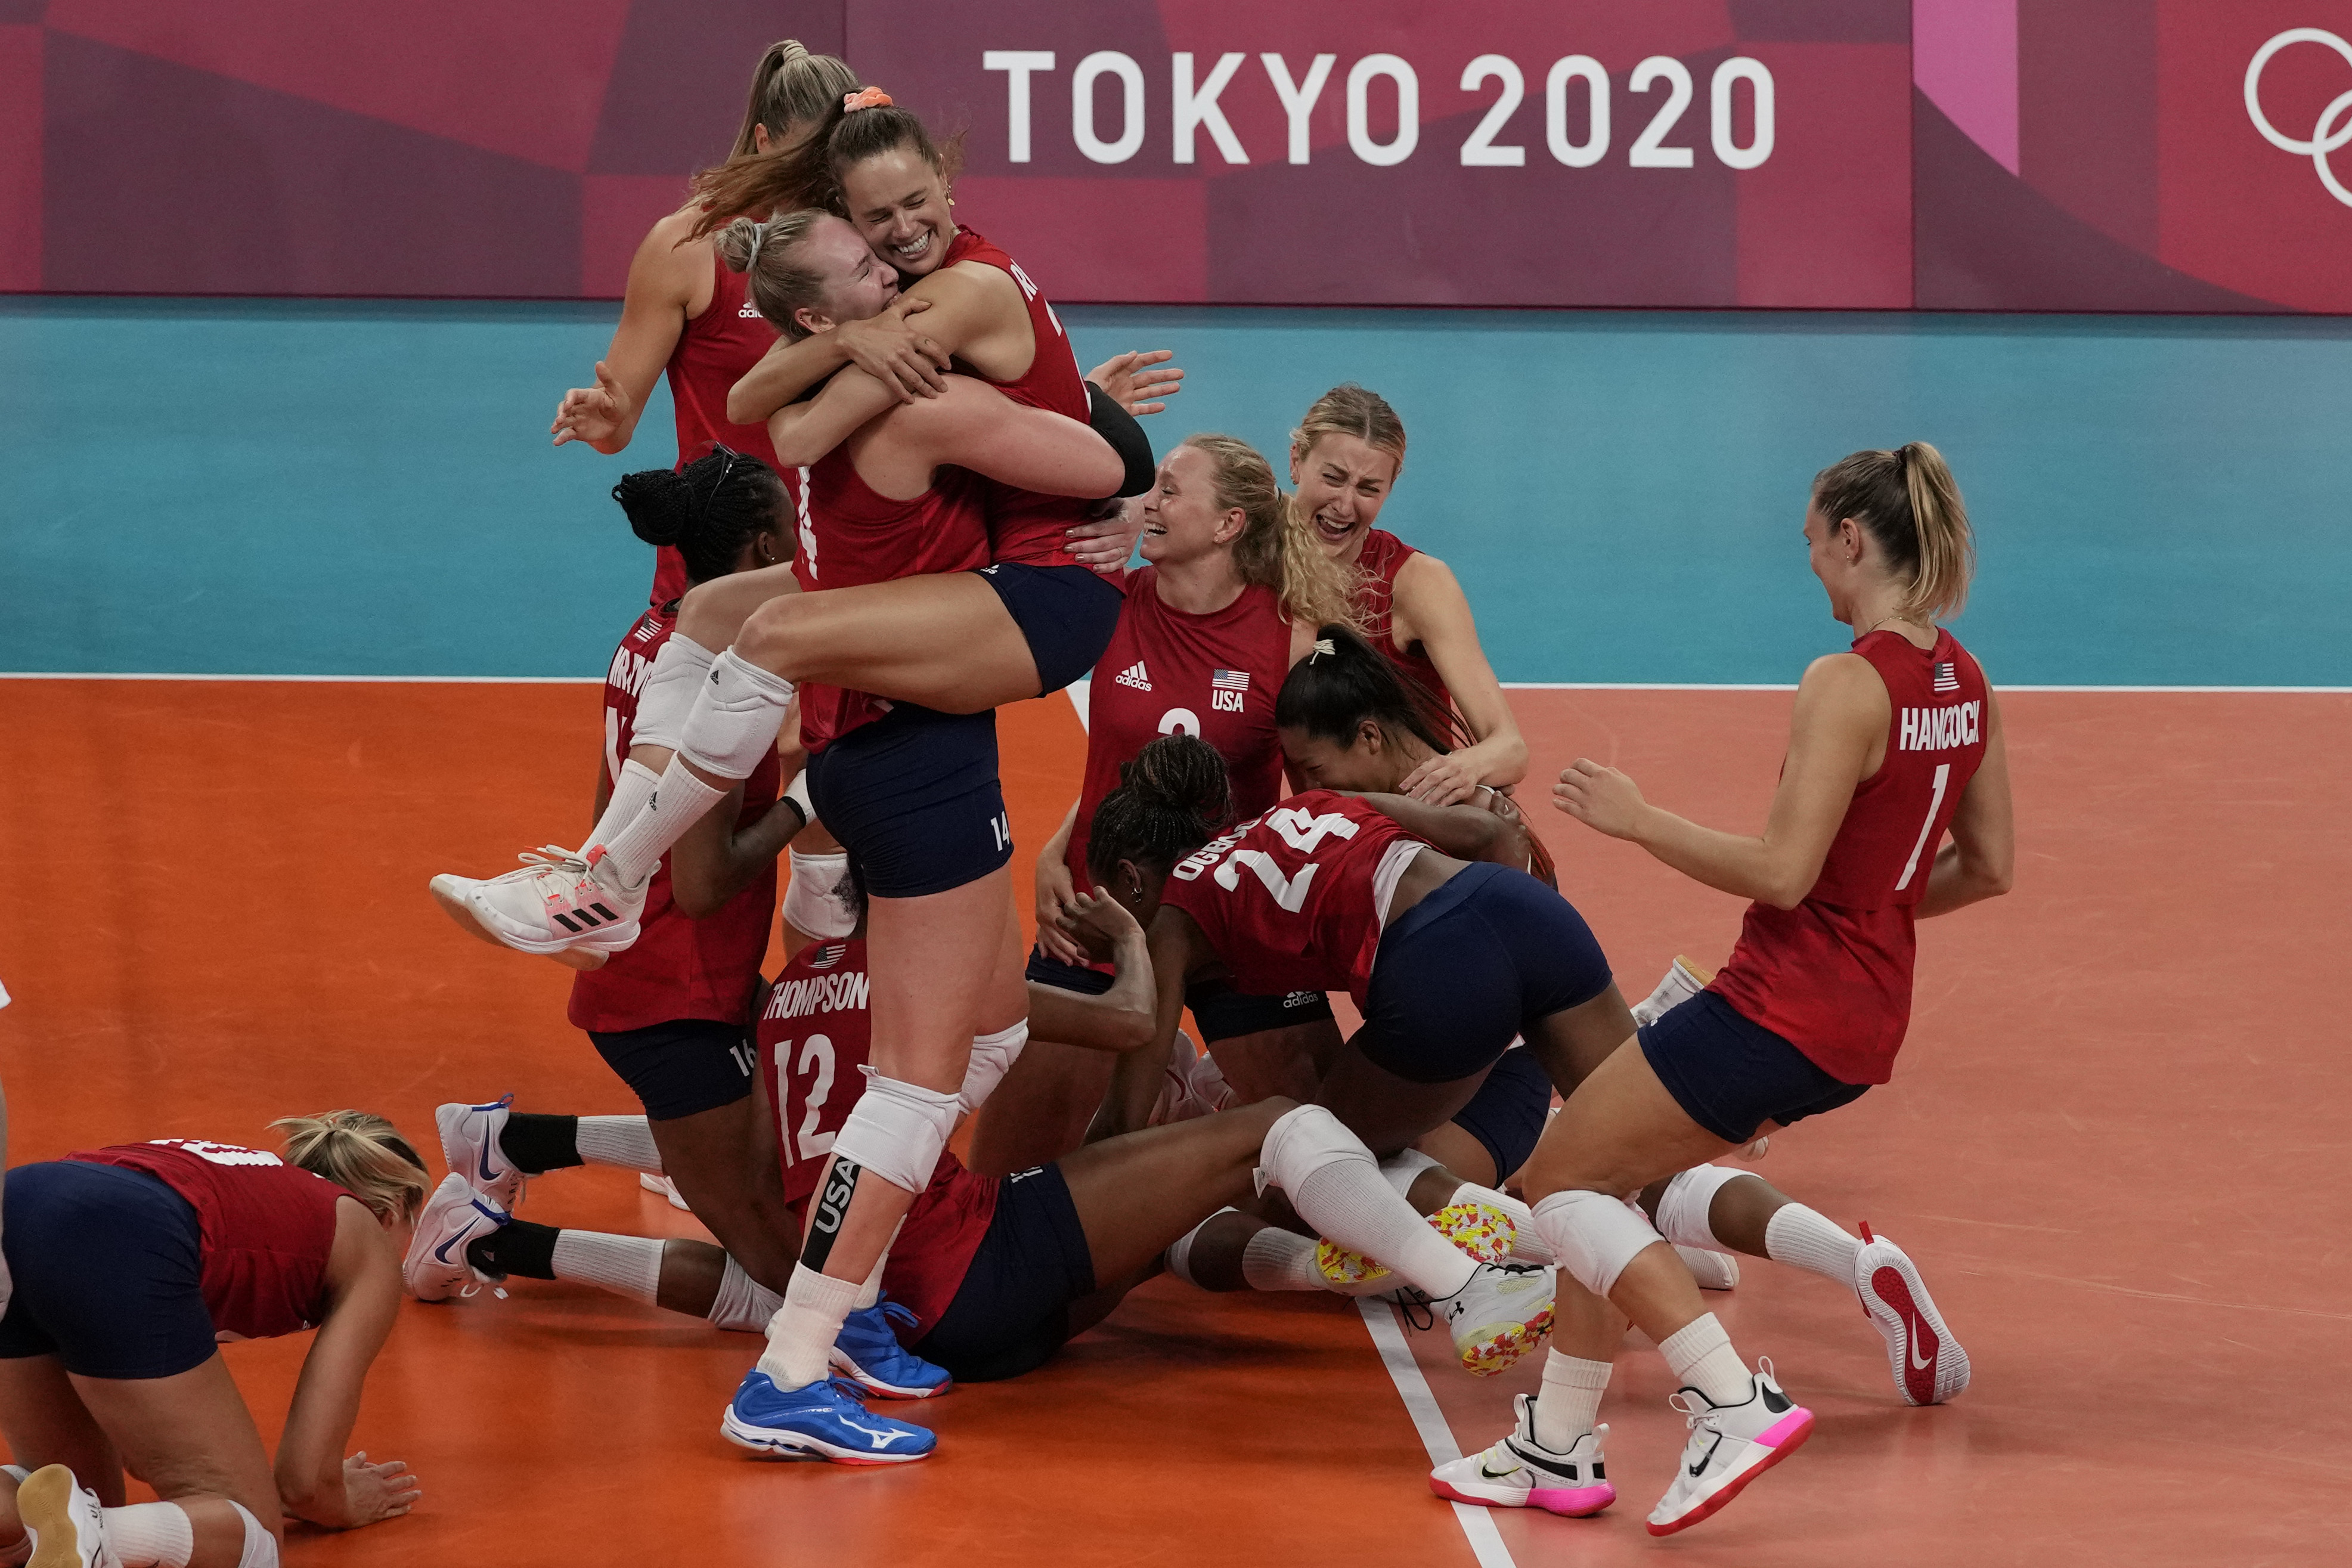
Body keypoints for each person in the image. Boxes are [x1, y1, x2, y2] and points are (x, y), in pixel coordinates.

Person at [1434, 442, 2010, 1536]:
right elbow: (1986, 867)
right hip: (1863, 1018)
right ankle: (1555, 1446)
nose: (1809, 567)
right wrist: (1871, 912)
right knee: (1608, 1180)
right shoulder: (1967, 682)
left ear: (1852, 537)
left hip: (1780, 1004)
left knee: (1563, 1185)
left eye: (1811, 542)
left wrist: (1640, 819)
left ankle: (1726, 1401)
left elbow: (1785, 873)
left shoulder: (1847, 680)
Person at [718, 877, 1336, 1462]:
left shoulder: (795, 983)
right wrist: (1131, 937)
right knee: (1264, 1128)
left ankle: (1326, 1264)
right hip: (965, 1266)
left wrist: (831, 1293)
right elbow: (1133, 1018)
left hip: (899, 1321)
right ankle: (1401, 1274)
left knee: (1147, 1237)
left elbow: (759, 1175)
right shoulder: (926, 976)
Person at [1080, 735, 1635, 1377]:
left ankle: (1484, 1281)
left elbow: (1123, 1116)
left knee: (1315, 1162)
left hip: (1442, 965)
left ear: (1129, 878)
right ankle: (1676, 1268)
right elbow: (1492, 832)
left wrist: (1080, 1203)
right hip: (1531, 913)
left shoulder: (1171, 916)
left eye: (1112, 905)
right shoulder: (1311, 806)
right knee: (1634, 1142)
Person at [429, 451, 814, 1310]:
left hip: (655, 963)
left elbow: (613, 797)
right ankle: (488, 1238)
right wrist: (804, 797)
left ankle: (502, 1140)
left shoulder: (652, 636)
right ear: (763, 547)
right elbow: (707, 879)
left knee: (776, 1127)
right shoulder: (731, 676)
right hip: (678, 990)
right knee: (791, 1291)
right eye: (797, 525)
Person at [980, 434, 1355, 1175]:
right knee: (1004, 1172)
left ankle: (1180, 1090)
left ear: (1228, 525)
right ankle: (1175, 1083)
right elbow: (1123, 762)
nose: (1147, 503)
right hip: (1099, 911)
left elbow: (1324, 808)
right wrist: (1060, 844)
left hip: (1232, 927)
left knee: (1337, 1155)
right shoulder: (1107, 603)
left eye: (1170, 491)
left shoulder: (1293, 642)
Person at [0, 1115, 428, 1567]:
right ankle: (97, 1538)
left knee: (55, 1492)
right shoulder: (368, 1243)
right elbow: (306, 1485)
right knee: (255, 1541)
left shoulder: (258, 1190)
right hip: (120, 1231)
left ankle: (74, 1525)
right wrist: (343, 1501)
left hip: (17, 1203)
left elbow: (143, 1445)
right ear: (393, 1211)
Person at [548, 41, 855, 606]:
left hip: (847, 552)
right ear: (764, 143)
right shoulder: (687, 246)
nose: (819, 179)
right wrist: (606, 418)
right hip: (724, 562)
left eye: (832, 159)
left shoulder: (868, 243)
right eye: (803, 158)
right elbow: (616, 427)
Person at [1288, 385, 1526, 805]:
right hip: (1312, 832)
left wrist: (1463, 769)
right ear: (1296, 462)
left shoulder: (1416, 583)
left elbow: (1508, 747)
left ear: (1391, 487)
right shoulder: (1251, 562)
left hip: (1414, 831)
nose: (1344, 505)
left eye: (1368, 488)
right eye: (1333, 478)